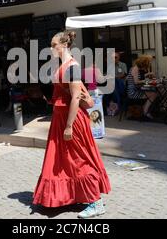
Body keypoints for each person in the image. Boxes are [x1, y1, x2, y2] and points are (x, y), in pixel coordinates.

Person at [33, 31, 111, 218]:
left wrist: (68, 126)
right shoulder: (64, 66)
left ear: (64, 45)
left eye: (54, 45)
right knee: (66, 159)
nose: (51, 48)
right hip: (61, 119)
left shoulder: (72, 66)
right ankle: (72, 196)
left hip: (72, 120)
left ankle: (96, 202)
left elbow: (76, 97)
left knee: (80, 159)